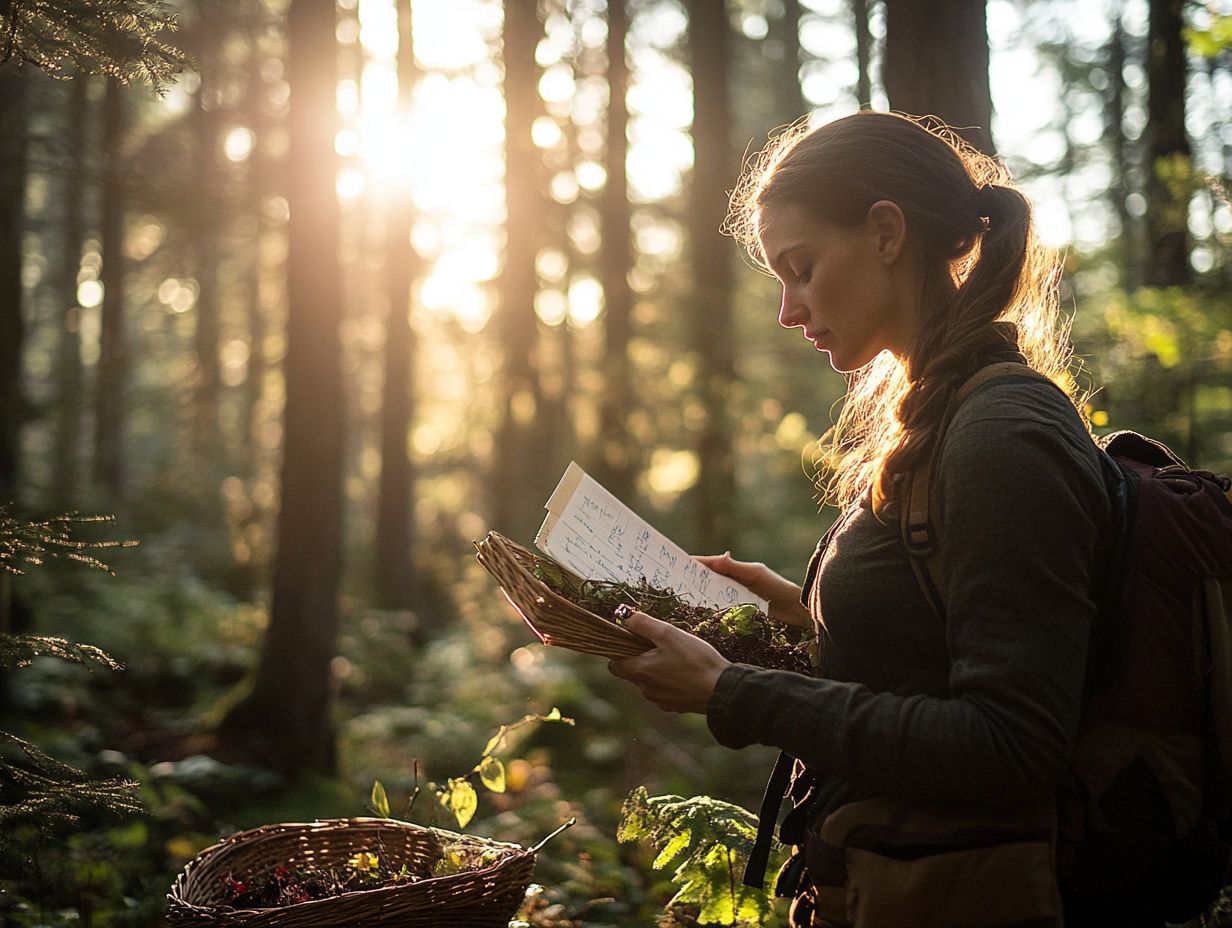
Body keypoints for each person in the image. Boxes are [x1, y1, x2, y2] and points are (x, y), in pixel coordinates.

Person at [607, 111, 1123, 927]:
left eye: (802, 269)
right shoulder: (939, 411)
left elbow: (1012, 743)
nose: (787, 308)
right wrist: (803, 613)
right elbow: (932, 652)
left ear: (886, 231)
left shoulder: (1001, 434)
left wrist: (733, 693)